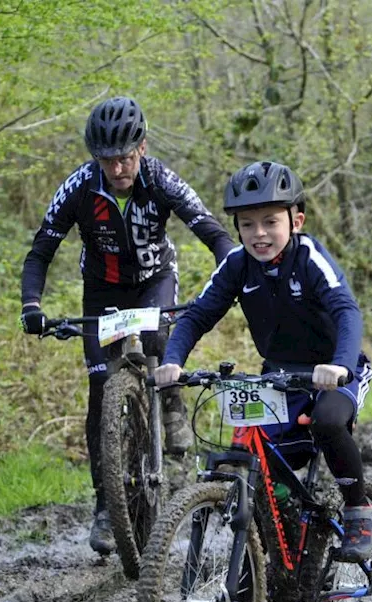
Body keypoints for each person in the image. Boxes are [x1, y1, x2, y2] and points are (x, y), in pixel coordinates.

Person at [19, 96, 235, 556]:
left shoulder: (160, 179)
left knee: (158, 336)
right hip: (102, 291)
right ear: (95, 157)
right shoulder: (79, 187)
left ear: (143, 146)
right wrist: (32, 304)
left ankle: (171, 400)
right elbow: (40, 251)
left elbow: (212, 231)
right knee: (100, 388)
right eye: (107, 159)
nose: (118, 167)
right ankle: (105, 505)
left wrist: (232, 277)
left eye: (126, 156)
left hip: (155, 278)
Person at [154, 160, 372, 564]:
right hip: (278, 377)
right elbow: (196, 316)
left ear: (296, 220)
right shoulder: (237, 265)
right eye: (247, 224)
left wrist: (341, 365)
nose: (259, 234)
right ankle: (259, 577)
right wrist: (173, 361)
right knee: (256, 461)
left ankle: (358, 508)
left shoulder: (309, 256)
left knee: (327, 422)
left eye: (270, 222)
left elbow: (346, 311)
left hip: (336, 370)